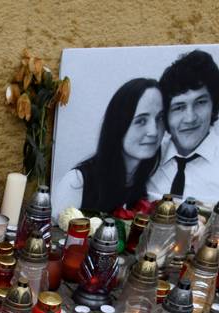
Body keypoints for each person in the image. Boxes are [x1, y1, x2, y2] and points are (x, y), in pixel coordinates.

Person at [147, 49, 219, 204]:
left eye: (200, 103)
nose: (190, 118)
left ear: (214, 106)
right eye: (178, 107)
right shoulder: (146, 158)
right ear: (166, 115)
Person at [52, 78, 164, 217]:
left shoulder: (153, 183)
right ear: (118, 124)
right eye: (141, 120)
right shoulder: (78, 182)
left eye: (160, 118)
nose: (154, 131)